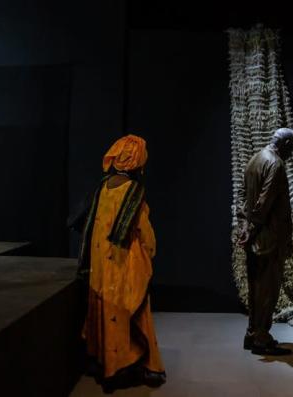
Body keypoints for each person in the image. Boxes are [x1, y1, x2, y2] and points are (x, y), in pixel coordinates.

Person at [76, 134, 165, 389]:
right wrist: (150, 254)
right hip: (125, 265)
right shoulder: (133, 192)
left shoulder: (103, 188)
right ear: (137, 161)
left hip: (100, 268)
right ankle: (127, 368)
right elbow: (145, 234)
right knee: (128, 311)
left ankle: (102, 361)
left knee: (104, 310)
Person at [238, 128, 293, 356]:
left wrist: (245, 228)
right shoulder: (276, 164)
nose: (291, 154)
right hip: (269, 238)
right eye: (291, 148)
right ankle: (261, 339)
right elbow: (264, 202)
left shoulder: (255, 159)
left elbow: (243, 197)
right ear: (285, 144)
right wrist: (252, 228)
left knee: (255, 287)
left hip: (254, 236)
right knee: (267, 290)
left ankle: (252, 333)